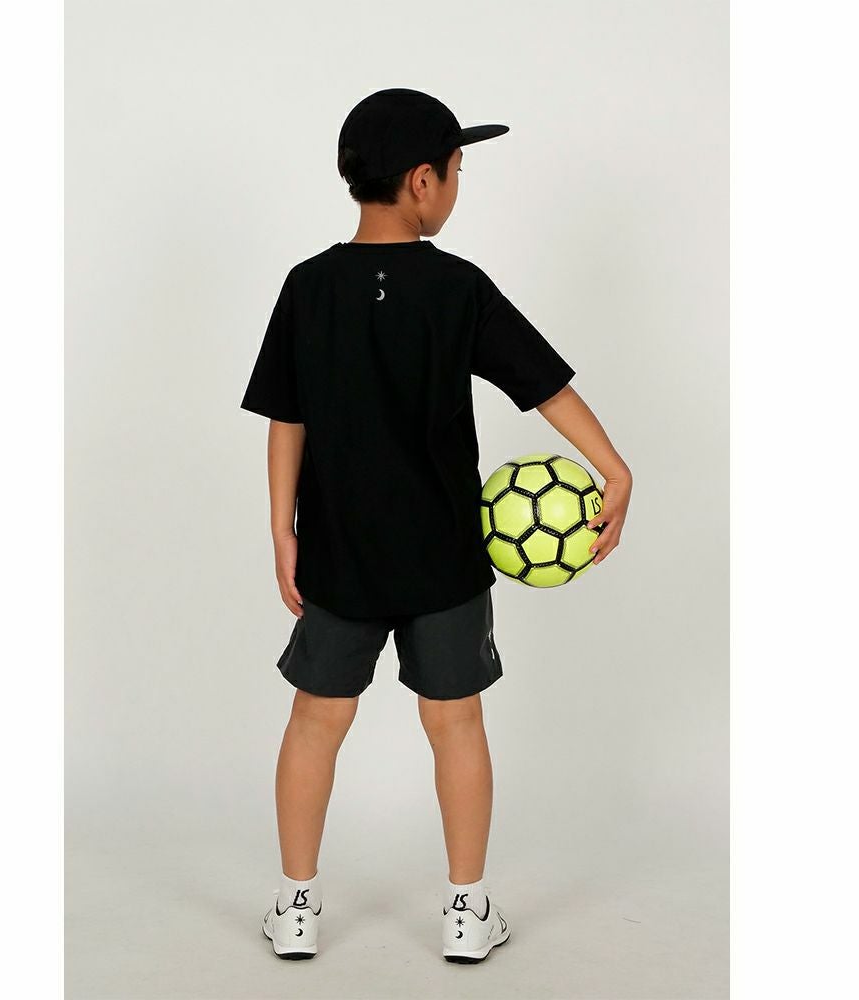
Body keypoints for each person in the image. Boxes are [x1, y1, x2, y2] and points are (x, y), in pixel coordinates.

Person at [242, 88, 633, 962]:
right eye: (457, 170)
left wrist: (282, 530)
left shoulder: (308, 286)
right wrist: (614, 467)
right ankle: (466, 911)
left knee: (314, 721)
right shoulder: (457, 287)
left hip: (338, 553)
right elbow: (545, 387)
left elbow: (285, 417)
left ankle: (296, 905)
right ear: (424, 181)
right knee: (455, 724)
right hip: (445, 556)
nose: (458, 187)